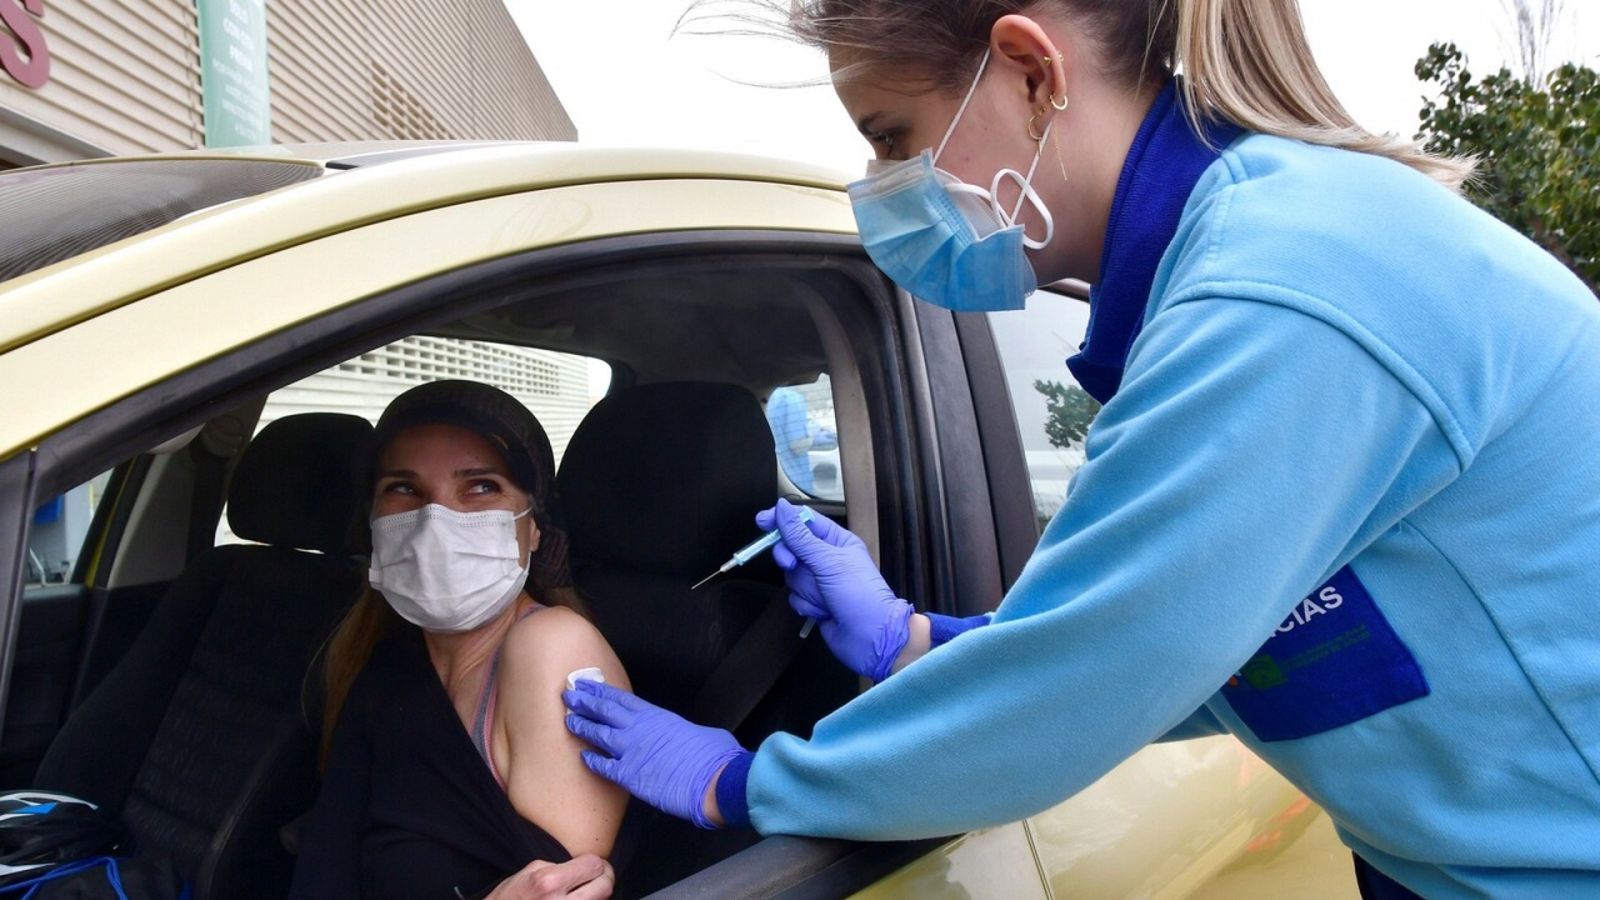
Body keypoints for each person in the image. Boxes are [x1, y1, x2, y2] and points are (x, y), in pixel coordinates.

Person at [562, 1, 1600, 898]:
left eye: (890, 137)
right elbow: (1226, 649)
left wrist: (739, 783)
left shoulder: (1278, 292)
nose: (879, 187)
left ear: (1031, 70)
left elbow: (1083, 675)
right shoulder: (1242, 264)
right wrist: (914, 640)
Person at [292, 380, 627, 900]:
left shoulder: (553, 649)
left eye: (481, 487)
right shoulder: (380, 655)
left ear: (533, 526)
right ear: (373, 524)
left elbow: (562, 887)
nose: (435, 523)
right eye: (404, 489)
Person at [764, 386, 837, 493]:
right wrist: (815, 440)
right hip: (796, 484)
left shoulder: (770, 399)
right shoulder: (792, 399)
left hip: (777, 479)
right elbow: (797, 446)